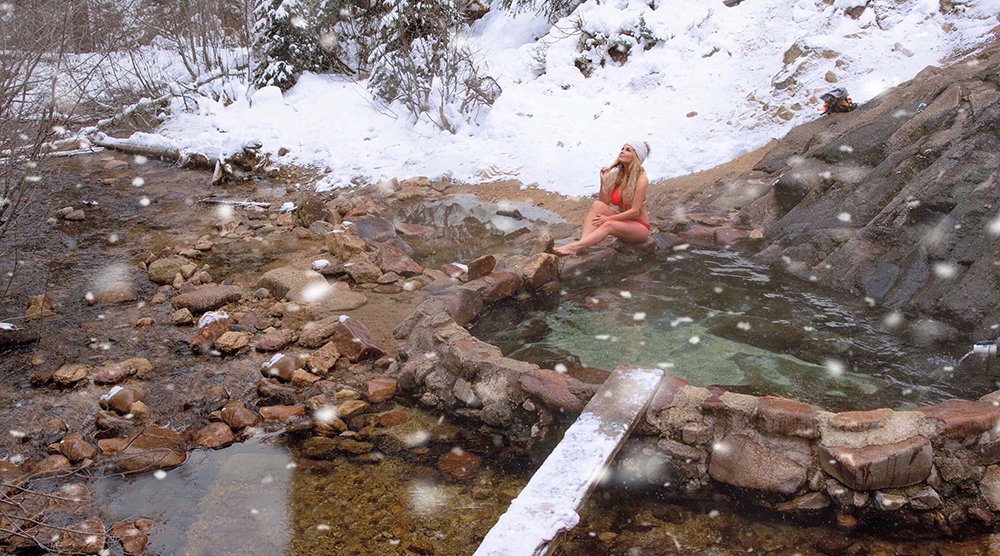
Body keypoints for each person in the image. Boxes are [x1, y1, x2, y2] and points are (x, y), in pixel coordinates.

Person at [554, 141, 652, 256]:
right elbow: (604, 202)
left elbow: (635, 212)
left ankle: (573, 247)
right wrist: (603, 182)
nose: (622, 151)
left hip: (639, 226)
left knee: (608, 225)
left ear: (636, 157)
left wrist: (609, 219)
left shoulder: (641, 179)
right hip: (624, 221)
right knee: (597, 205)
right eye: (622, 148)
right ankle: (582, 245)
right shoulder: (619, 175)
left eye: (628, 150)